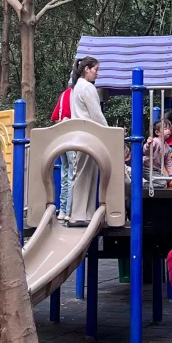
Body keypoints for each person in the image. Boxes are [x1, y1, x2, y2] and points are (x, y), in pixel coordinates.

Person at [67, 56, 106, 227]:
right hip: (89, 134)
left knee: (86, 172)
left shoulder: (77, 87)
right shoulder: (87, 87)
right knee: (84, 174)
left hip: (81, 134)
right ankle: (78, 215)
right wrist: (108, 132)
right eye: (96, 69)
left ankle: (86, 213)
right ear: (87, 69)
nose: (97, 73)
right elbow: (96, 114)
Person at [51, 76, 75, 219]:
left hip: (61, 140)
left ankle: (62, 210)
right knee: (72, 174)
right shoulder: (76, 95)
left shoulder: (63, 95)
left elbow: (55, 117)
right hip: (73, 139)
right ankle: (70, 211)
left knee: (64, 173)